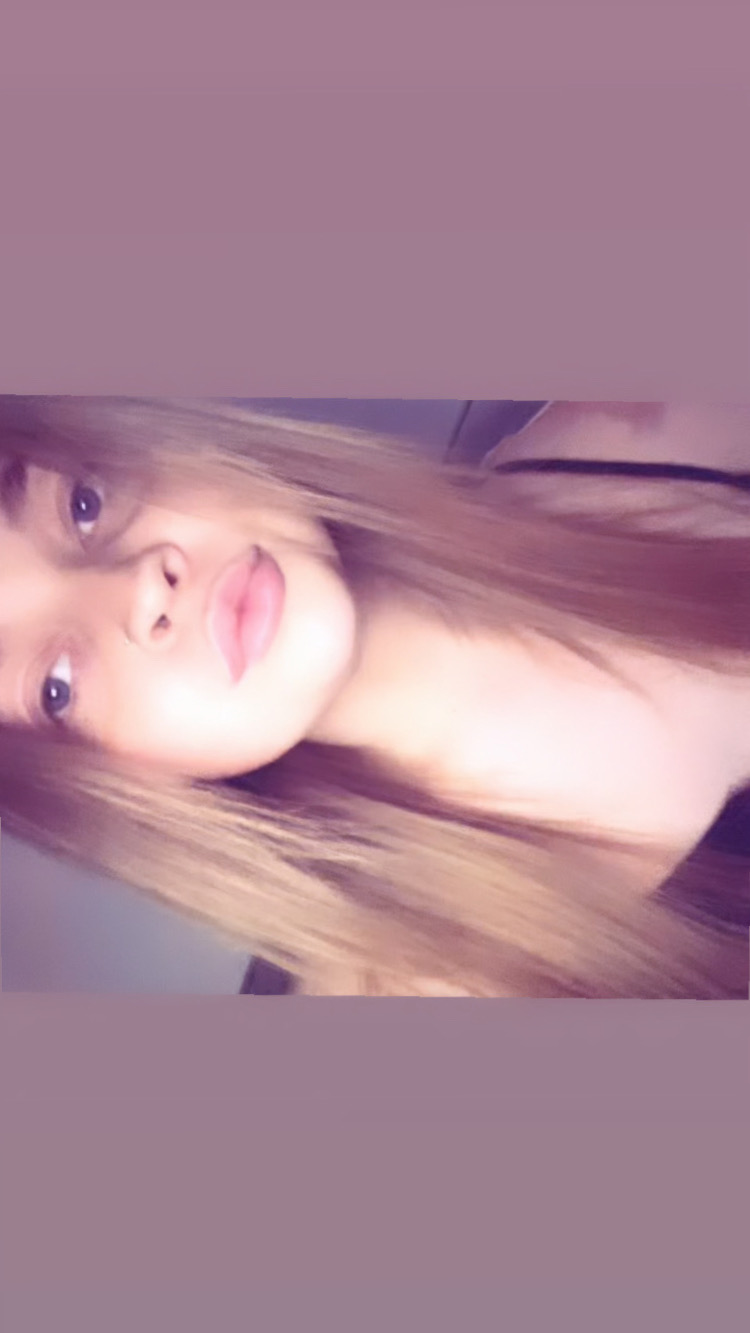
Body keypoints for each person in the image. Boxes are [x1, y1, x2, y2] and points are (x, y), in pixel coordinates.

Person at [0, 396, 748, 997]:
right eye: (57, 687)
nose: (139, 587)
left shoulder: (635, 426)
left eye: (83, 505)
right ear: (107, 791)